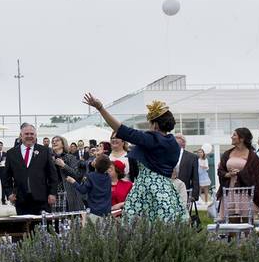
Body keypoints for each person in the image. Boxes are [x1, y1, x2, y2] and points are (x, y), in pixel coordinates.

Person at [83, 94, 186, 222]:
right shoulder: (174, 145)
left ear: (155, 125)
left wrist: (100, 108)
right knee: (167, 228)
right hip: (166, 191)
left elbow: (122, 130)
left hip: (147, 191)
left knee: (137, 230)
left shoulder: (152, 140)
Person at [0, 123, 59, 215]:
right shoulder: (11, 153)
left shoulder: (44, 151)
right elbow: (6, 177)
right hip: (20, 199)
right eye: (26, 134)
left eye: (32, 134)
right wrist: (9, 193)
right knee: (24, 227)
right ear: (21, 136)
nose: (29, 136)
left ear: (35, 136)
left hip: (42, 199)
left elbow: (53, 175)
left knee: (42, 228)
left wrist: (53, 193)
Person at [217, 128, 259, 218]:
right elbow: (220, 171)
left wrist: (241, 173)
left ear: (242, 138)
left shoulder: (252, 156)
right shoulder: (227, 154)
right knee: (229, 222)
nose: (232, 137)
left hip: (245, 193)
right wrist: (228, 174)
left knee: (245, 221)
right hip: (229, 191)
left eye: (234, 135)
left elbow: (257, 176)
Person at [65, 155, 112, 219]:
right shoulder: (108, 177)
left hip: (95, 211)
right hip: (107, 210)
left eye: (95, 160)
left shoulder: (91, 176)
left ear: (96, 163)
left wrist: (73, 182)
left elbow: (83, 190)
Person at [52, 135, 84, 211]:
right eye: (53, 141)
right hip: (54, 193)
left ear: (63, 144)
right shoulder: (49, 158)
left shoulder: (71, 157)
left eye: (57, 140)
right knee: (55, 220)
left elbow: (77, 175)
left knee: (70, 219)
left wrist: (64, 165)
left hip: (69, 193)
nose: (54, 142)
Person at [173, 135, 200, 202]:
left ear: (183, 143)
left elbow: (195, 177)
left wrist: (194, 195)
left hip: (185, 190)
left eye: (177, 142)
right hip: (170, 190)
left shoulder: (192, 157)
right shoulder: (167, 154)